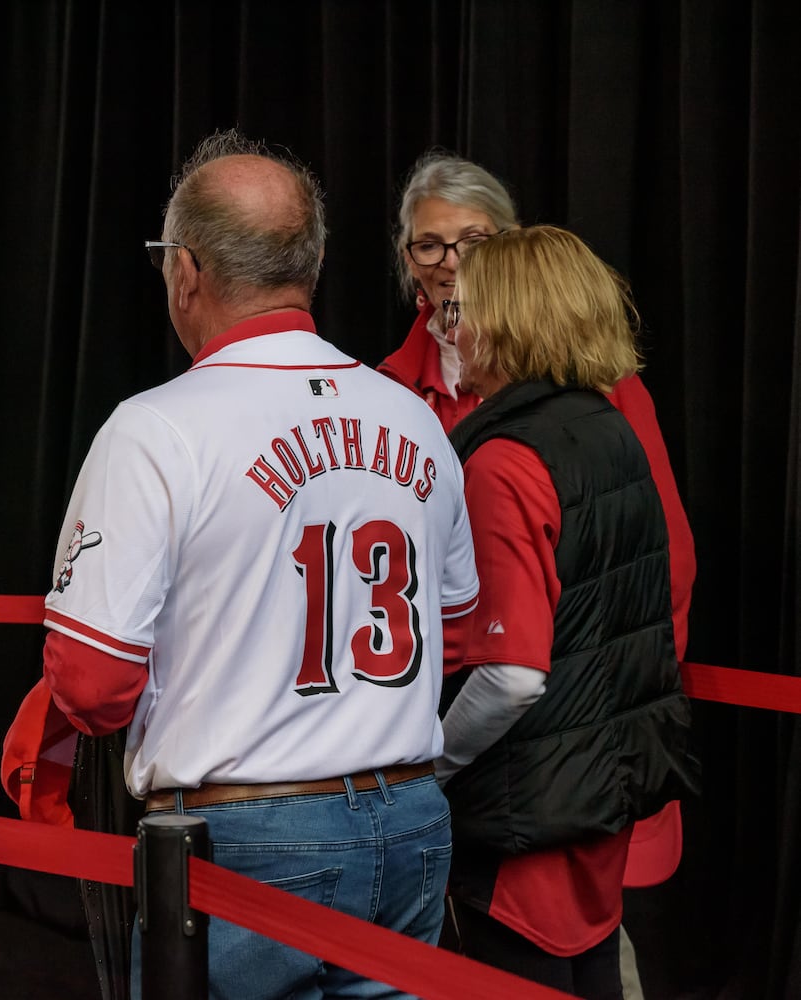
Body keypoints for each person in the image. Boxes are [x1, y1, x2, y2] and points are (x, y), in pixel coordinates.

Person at [38, 128, 479, 999]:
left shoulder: (154, 430)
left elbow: (90, 686)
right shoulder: (414, 417)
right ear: (308, 268)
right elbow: (455, 635)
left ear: (186, 271)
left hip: (246, 838)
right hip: (413, 817)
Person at [382, 151, 697, 933]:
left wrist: (605, 720)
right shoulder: (385, 391)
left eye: (475, 242)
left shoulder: (599, 390)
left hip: (555, 762)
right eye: (430, 245)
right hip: (457, 756)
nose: (453, 264)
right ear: (408, 262)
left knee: (555, 950)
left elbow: (662, 570)